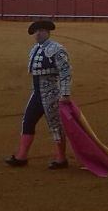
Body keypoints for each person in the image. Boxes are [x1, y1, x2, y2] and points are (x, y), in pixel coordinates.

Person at [6, 20, 72, 169]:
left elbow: (65, 72)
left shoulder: (57, 49)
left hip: (52, 94)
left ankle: (61, 159)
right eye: (35, 32)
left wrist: (65, 94)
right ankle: (21, 156)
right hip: (36, 93)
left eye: (40, 31)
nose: (37, 34)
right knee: (27, 121)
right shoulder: (35, 49)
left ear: (47, 32)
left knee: (55, 126)